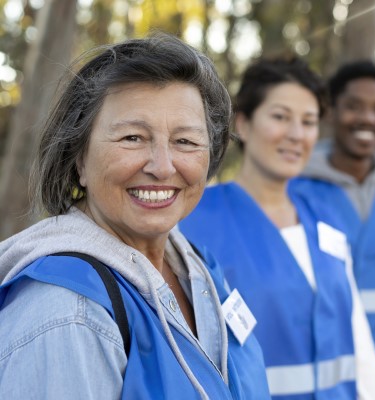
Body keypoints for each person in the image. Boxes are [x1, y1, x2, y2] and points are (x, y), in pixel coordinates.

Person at [0, 34, 270, 399]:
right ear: (78, 158)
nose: (162, 167)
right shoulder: (68, 313)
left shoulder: (198, 269)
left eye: (185, 142)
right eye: (132, 138)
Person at [180, 57, 375, 399]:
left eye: (308, 122)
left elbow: (359, 346)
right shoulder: (193, 222)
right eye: (280, 117)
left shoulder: (327, 222)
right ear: (245, 124)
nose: (296, 134)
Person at [289, 60, 375, 397]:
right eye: (354, 106)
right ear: (331, 112)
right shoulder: (294, 194)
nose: (368, 119)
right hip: (332, 386)